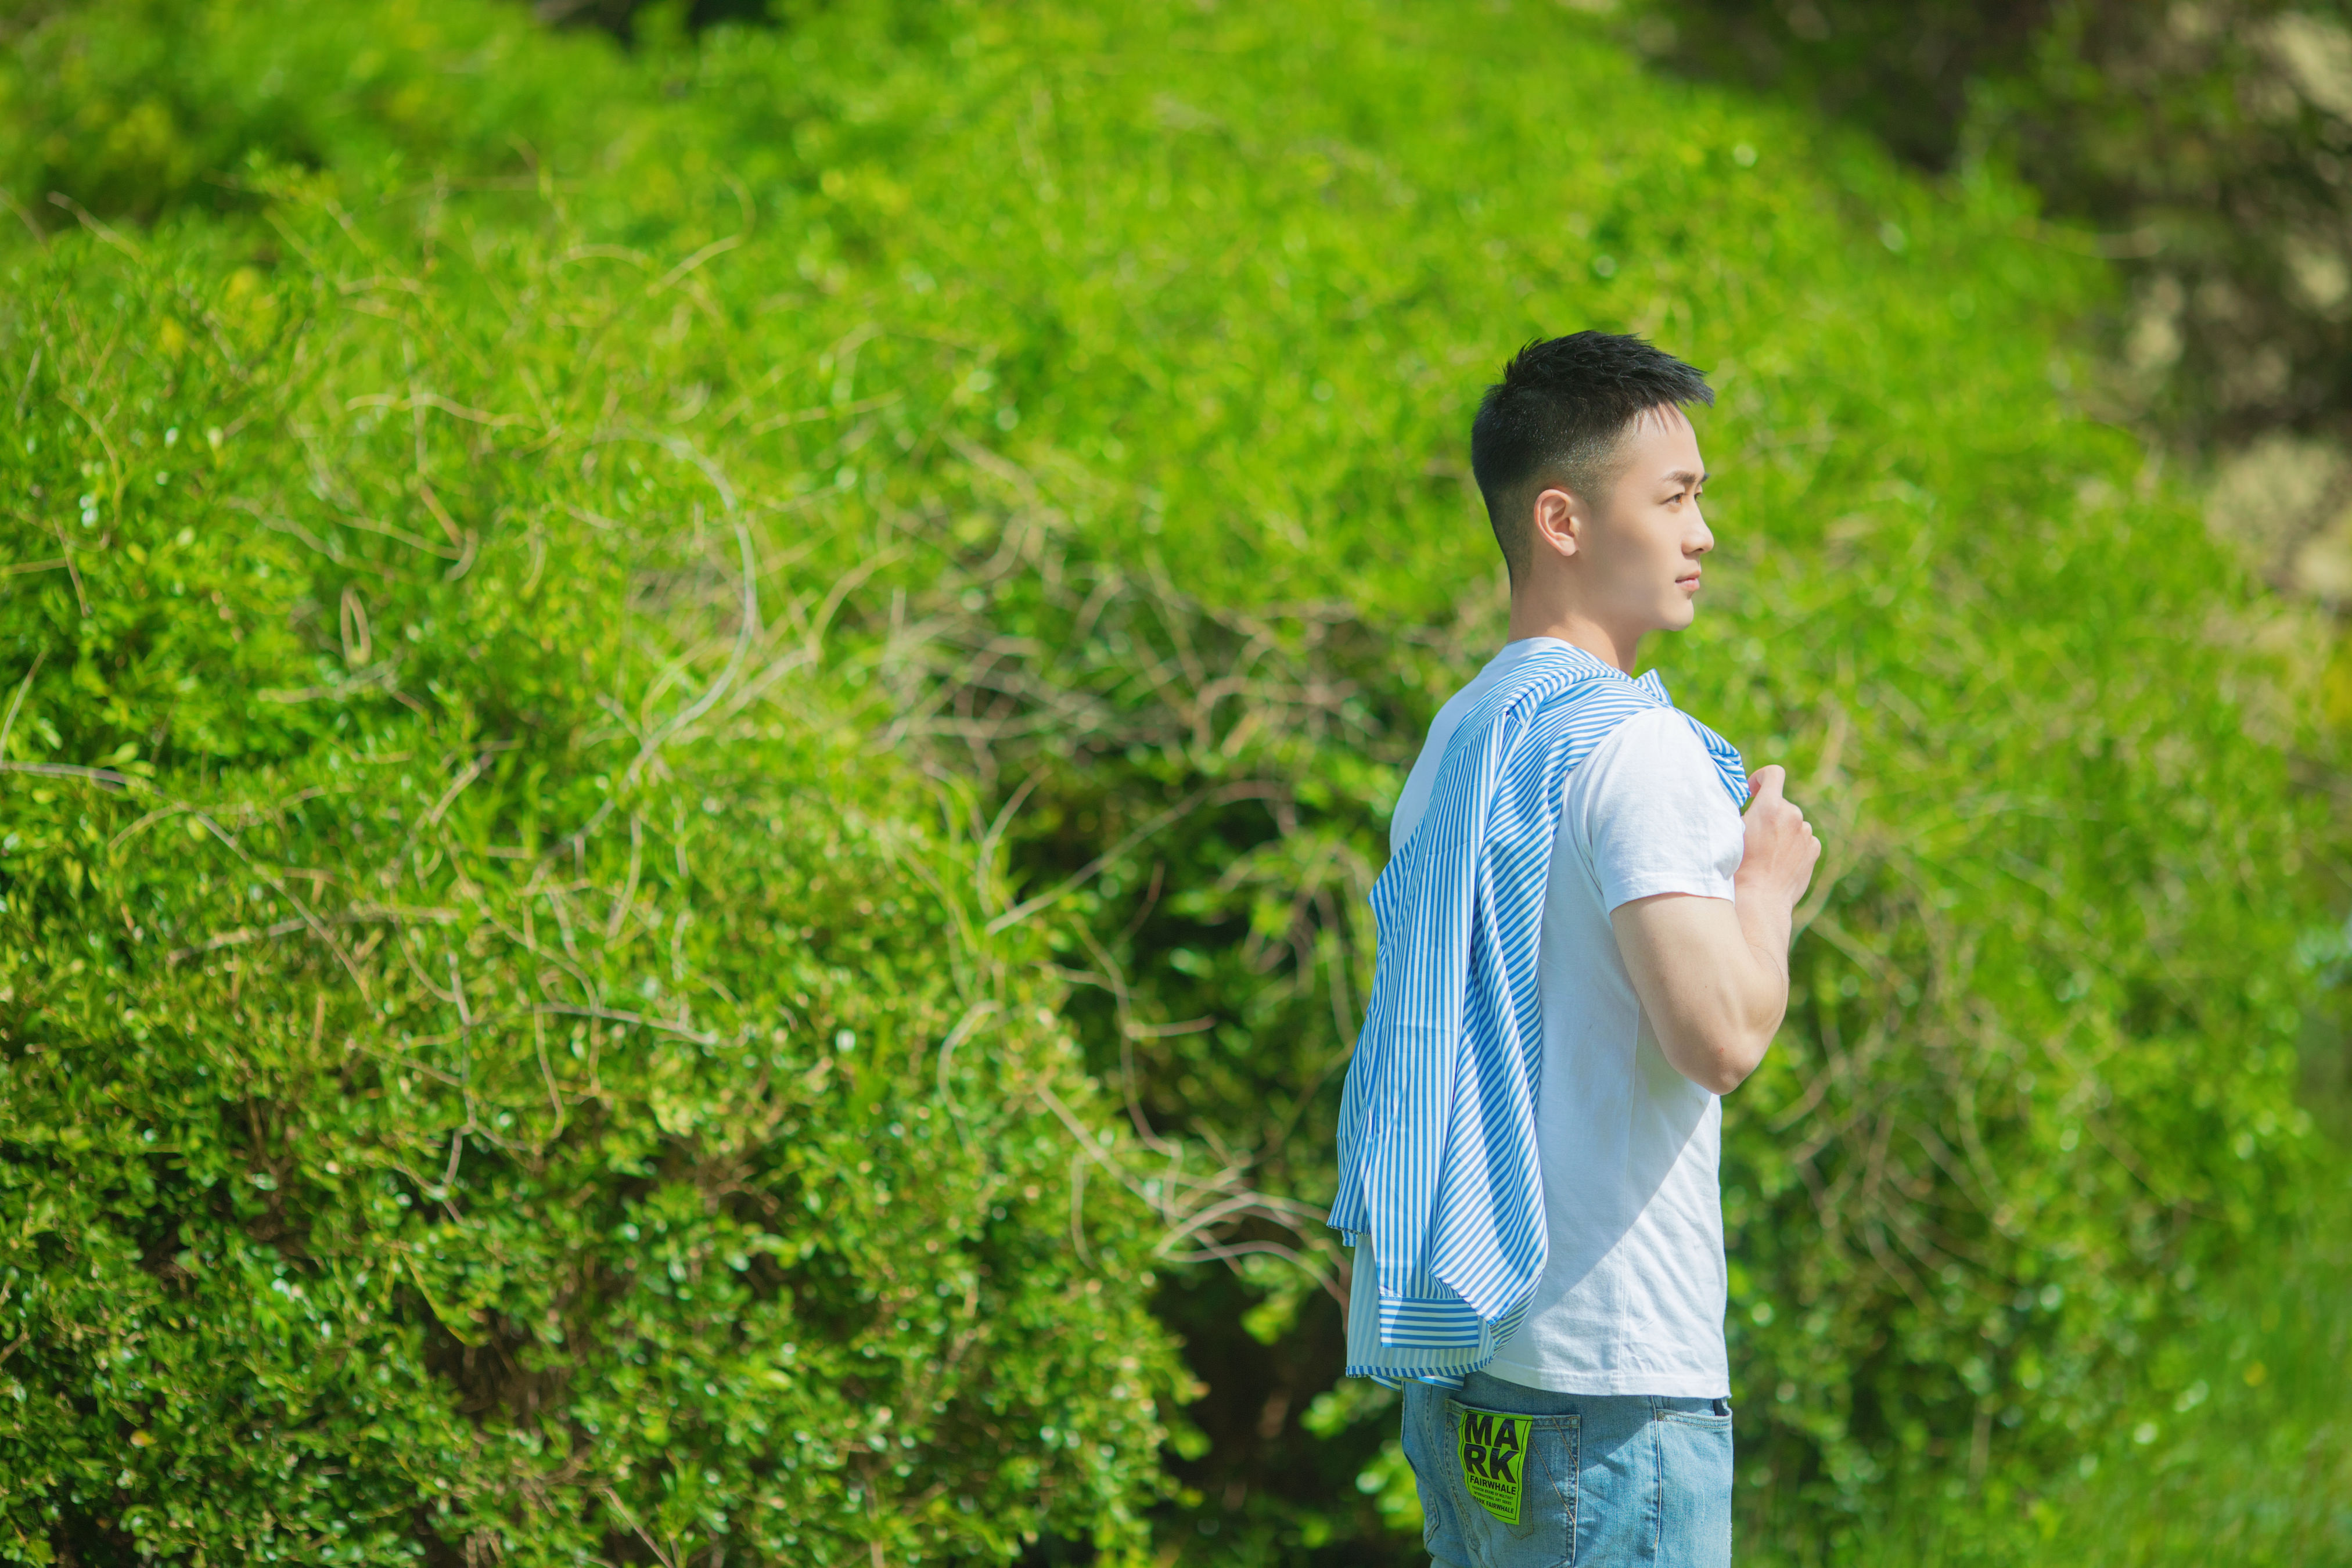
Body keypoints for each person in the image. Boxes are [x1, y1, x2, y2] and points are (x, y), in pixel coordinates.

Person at [1327, 332, 1821, 1567]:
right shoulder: (1639, 752)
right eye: (1676, 496)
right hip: (1612, 1393)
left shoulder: (1467, 736)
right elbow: (1719, 1036)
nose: (1704, 531)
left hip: (1475, 1361)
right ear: (1562, 518)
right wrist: (1766, 886)